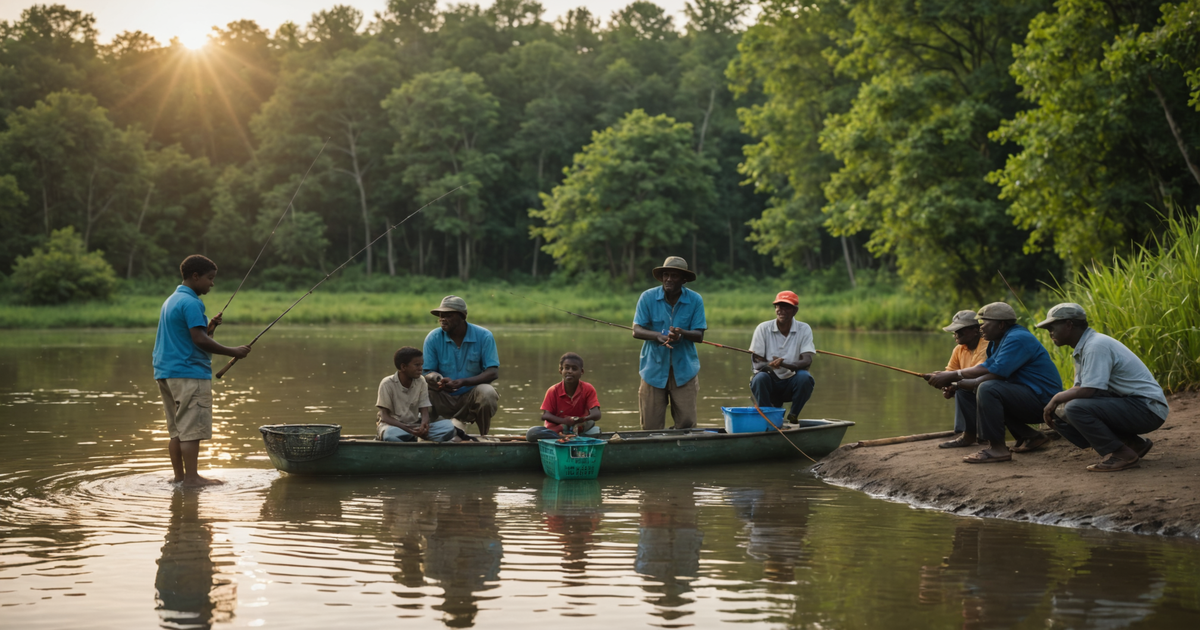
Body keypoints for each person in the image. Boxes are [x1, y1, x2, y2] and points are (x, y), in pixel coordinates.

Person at [152, 255, 251, 487]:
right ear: (195, 276)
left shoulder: (171, 300)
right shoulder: (193, 303)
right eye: (209, 278)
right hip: (189, 373)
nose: (212, 284)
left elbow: (192, 335)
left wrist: (210, 328)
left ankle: (179, 477)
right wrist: (233, 351)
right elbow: (199, 341)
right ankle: (193, 478)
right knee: (191, 429)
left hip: (166, 373)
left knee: (176, 430)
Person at [1037, 303, 1168, 472]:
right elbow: (1081, 388)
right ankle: (1133, 444)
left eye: (1052, 327)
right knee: (1062, 411)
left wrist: (1055, 399)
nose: (1050, 333)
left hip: (1147, 409)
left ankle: (1123, 454)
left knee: (1074, 408)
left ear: (1069, 325)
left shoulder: (1095, 345)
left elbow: (1088, 390)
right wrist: (1057, 406)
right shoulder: (1084, 347)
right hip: (1132, 405)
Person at [926, 302, 1062, 464]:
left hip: (1044, 401)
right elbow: (989, 370)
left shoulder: (1017, 338)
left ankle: (997, 449)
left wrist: (956, 376)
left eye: (985, 323)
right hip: (1026, 396)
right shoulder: (998, 342)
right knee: (975, 388)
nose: (981, 327)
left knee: (988, 389)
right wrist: (956, 381)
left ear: (1001, 324)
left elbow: (993, 375)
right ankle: (1030, 435)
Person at [631, 256, 707, 430]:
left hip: (684, 370)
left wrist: (682, 334)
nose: (669, 279)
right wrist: (657, 336)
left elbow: (699, 335)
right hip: (653, 370)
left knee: (687, 425)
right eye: (666, 274)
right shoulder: (647, 297)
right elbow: (637, 330)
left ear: (684, 280)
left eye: (674, 276)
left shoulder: (695, 300)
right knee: (650, 427)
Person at [422, 295, 500, 436]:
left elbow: (493, 372)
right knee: (421, 389)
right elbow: (427, 371)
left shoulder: (484, 336)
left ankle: (484, 436)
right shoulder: (433, 338)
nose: (442, 319)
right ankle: (425, 431)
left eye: (448, 315)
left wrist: (464, 382)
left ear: (462, 316)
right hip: (443, 394)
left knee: (487, 392)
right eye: (440, 315)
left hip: (469, 395)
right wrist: (437, 379)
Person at [922, 310, 990, 448]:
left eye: (960, 330)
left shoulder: (987, 345)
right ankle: (970, 434)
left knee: (963, 387)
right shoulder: (958, 349)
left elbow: (979, 373)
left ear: (976, 330)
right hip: (972, 390)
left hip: (988, 389)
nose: (956, 334)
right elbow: (950, 373)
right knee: (960, 388)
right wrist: (946, 385)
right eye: (954, 331)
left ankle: (978, 435)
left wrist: (953, 382)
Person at [748, 290, 816, 423]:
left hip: (791, 383)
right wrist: (769, 365)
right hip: (769, 382)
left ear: (795, 310)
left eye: (786, 307)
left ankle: (793, 415)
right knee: (760, 378)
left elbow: (807, 360)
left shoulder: (804, 329)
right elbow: (756, 362)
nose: (781, 310)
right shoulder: (763, 328)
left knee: (805, 377)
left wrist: (786, 365)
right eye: (778, 306)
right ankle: (767, 419)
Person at [377, 346, 458, 442]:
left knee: (448, 427)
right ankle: (414, 437)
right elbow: (385, 416)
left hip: (414, 425)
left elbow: (424, 410)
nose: (421, 369)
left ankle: (414, 437)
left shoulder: (421, 381)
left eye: (421, 365)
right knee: (390, 436)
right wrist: (407, 429)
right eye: (417, 365)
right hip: (393, 427)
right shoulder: (387, 383)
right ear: (403, 367)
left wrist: (424, 425)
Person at [525, 352, 602, 441]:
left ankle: (574, 436)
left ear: (581, 372)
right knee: (531, 433)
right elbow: (546, 415)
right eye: (566, 368)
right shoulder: (553, 390)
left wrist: (581, 419)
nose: (570, 371)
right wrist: (564, 421)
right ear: (561, 370)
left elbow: (596, 414)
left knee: (594, 427)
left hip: (578, 428)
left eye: (574, 369)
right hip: (557, 430)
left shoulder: (588, 389)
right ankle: (565, 438)